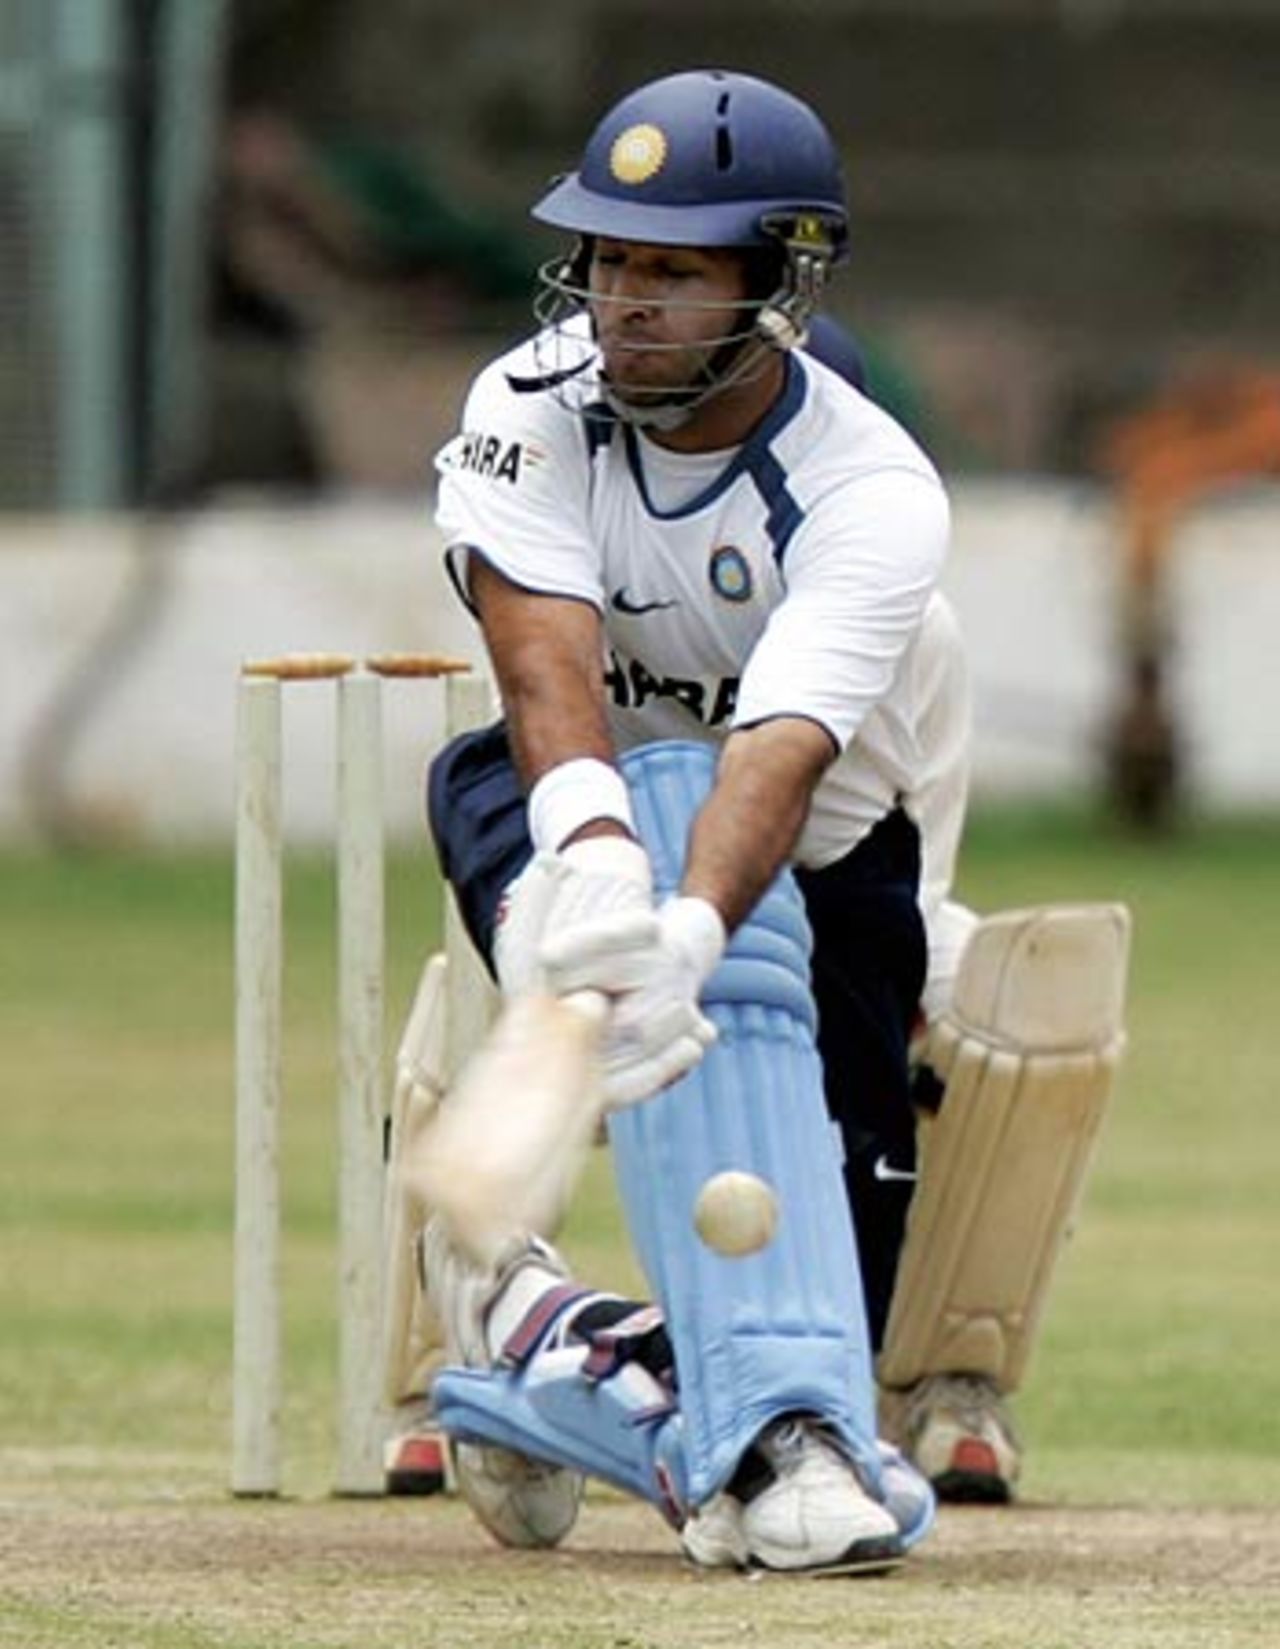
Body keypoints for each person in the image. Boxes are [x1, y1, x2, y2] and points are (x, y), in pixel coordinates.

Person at [409, 68, 1010, 1571]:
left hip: (811, 843)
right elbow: (543, 661)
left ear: (779, 283)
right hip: (563, 793)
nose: (624, 301)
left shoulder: (871, 487)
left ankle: (549, 1335)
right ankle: (732, 1417)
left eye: (674, 270)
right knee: (534, 801)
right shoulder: (523, 404)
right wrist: (602, 868)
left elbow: (781, 750)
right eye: (611, 259)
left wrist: (687, 934)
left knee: (820, 1348)